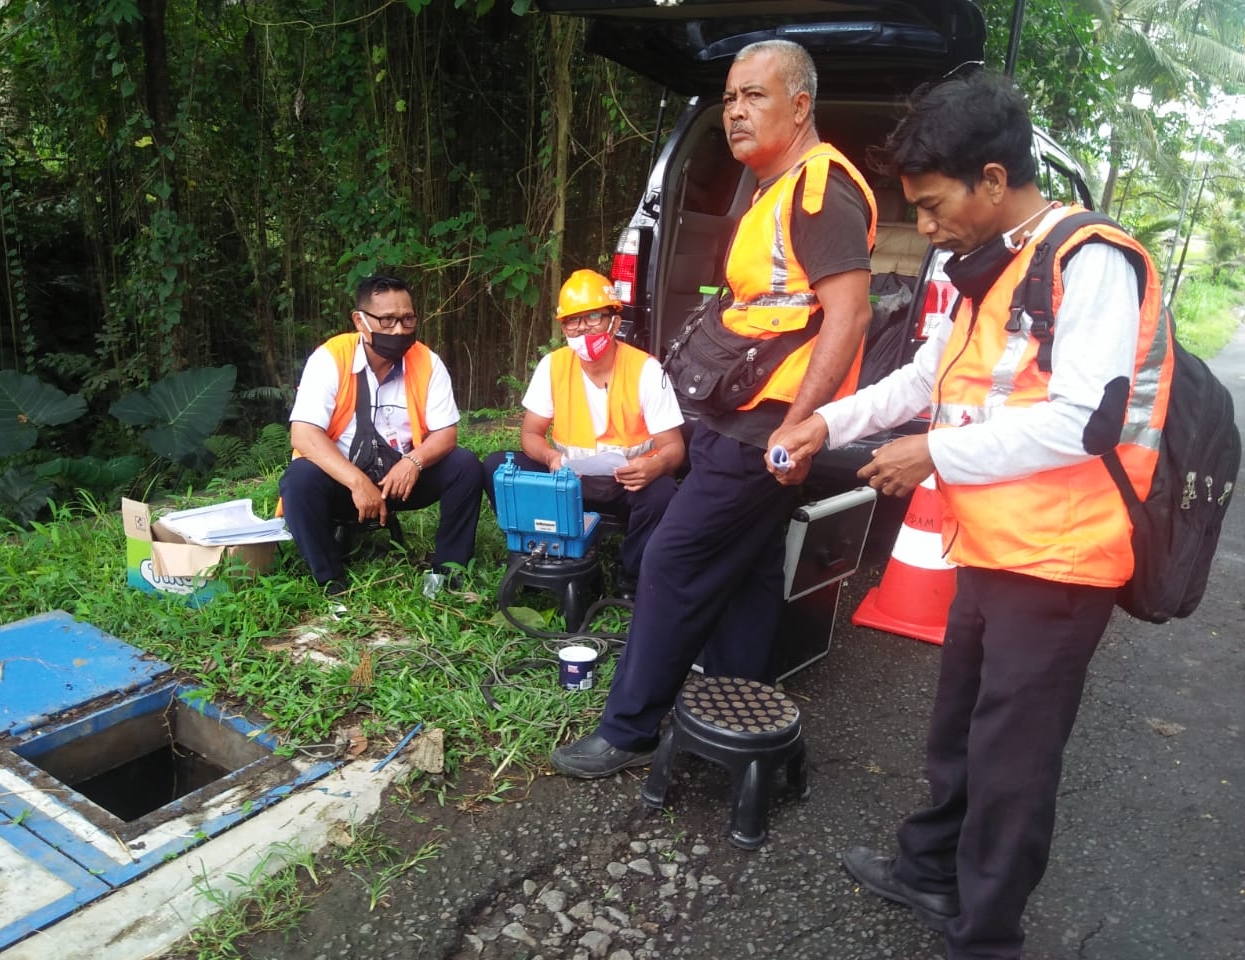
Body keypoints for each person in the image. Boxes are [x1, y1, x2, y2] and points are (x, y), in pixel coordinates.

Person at [767, 72, 1172, 960]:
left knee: (1012, 760)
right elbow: (927, 379)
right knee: (959, 724)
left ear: (992, 179)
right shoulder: (991, 265)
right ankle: (931, 869)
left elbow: (1083, 420)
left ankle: (986, 935)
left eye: (934, 203)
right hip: (993, 543)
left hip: (1062, 560)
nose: (927, 226)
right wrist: (824, 421)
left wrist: (933, 454)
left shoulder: (1088, 259)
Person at [551, 39, 877, 778]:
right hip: (743, 414)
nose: (735, 111)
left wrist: (801, 426)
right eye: (729, 98)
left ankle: (629, 731)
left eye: (754, 96)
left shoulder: (820, 190)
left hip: (768, 423)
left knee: (672, 556)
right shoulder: (774, 187)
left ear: (800, 105)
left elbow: (848, 317)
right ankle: (737, 710)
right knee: (753, 563)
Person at [483, 269, 685, 596]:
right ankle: (537, 550)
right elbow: (531, 434)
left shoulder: (646, 369)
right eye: (572, 321)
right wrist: (550, 456)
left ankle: (630, 577)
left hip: (626, 482)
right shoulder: (553, 365)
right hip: (567, 481)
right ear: (563, 327)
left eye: (593, 317)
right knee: (496, 466)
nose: (583, 329)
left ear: (615, 322)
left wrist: (655, 466)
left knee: (662, 493)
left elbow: (674, 448)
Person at [279, 274, 484, 595]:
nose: (400, 330)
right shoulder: (330, 359)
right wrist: (357, 482)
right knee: (299, 478)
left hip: (402, 481)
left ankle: (448, 573)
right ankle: (331, 580)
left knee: (465, 465)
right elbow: (303, 435)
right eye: (387, 321)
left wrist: (414, 462)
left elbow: (446, 434)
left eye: (408, 319)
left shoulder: (427, 362)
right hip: (343, 484)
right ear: (360, 321)